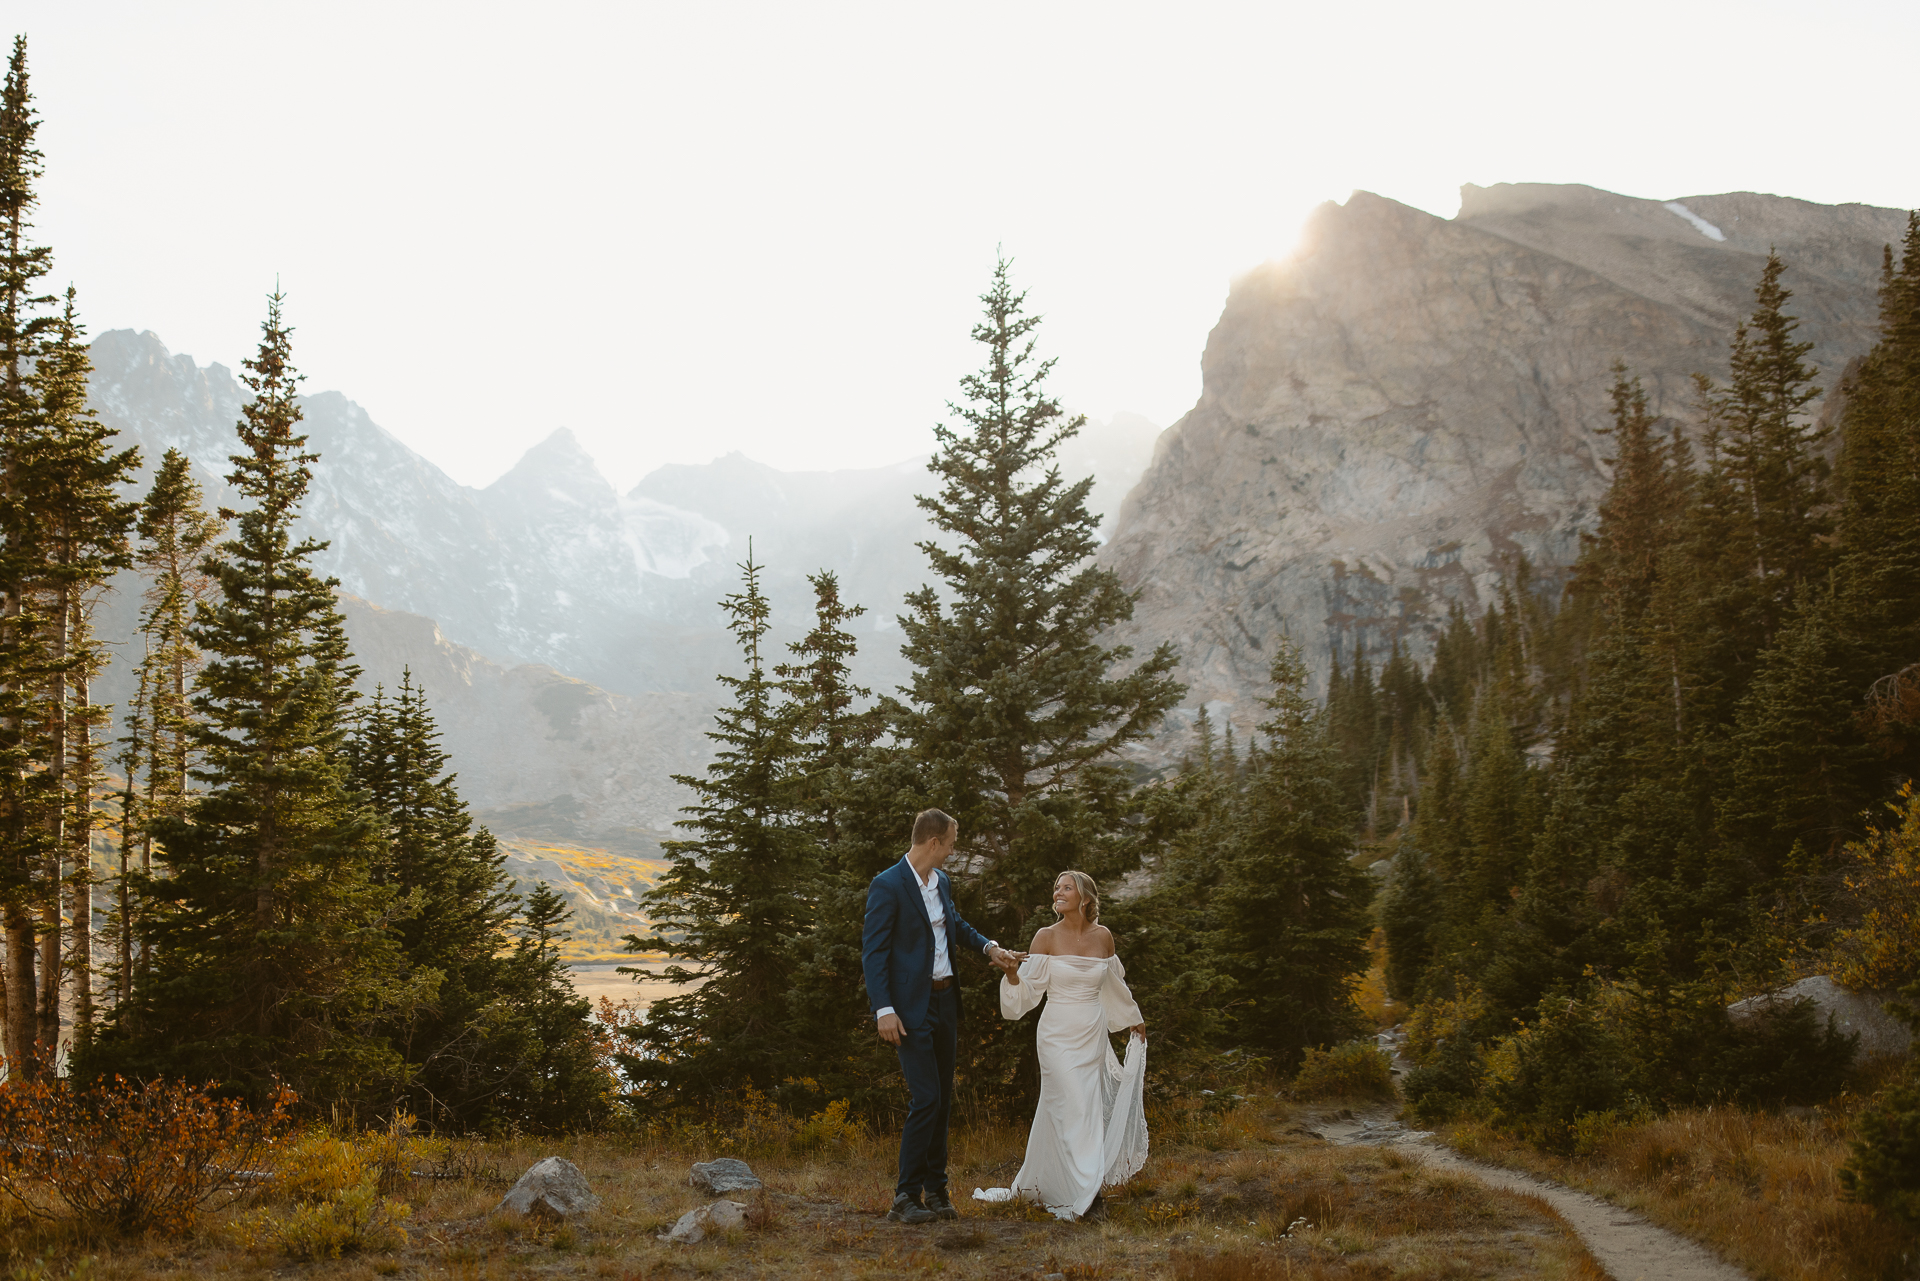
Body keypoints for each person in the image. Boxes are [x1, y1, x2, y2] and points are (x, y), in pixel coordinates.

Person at [863, 809, 1025, 1225]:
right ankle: (905, 1195)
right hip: (909, 1008)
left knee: (943, 1100)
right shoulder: (888, 885)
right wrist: (884, 1009)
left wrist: (990, 947)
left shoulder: (942, 882)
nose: (953, 850)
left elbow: (953, 923)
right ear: (934, 842)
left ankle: (936, 1191)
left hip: (946, 1002)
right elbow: (874, 953)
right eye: (952, 842)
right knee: (927, 1098)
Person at [993, 870, 1148, 1221]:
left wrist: (1132, 1017)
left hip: (1091, 1032)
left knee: (1085, 1109)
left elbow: (1113, 984)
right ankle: (1084, 1191)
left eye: (1066, 888)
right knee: (1070, 1105)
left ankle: (1072, 1185)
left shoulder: (1103, 937)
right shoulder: (1045, 937)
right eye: (1056, 888)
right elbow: (1030, 992)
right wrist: (1013, 975)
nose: (1058, 893)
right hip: (1056, 1034)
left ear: (1086, 898)